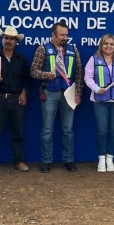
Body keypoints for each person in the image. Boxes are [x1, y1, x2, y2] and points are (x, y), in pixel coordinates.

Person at [30, 22, 83, 173]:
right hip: (50, 92)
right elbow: (33, 71)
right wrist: (47, 75)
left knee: (68, 129)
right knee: (47, 129)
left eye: (66, 35)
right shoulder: (42, 49)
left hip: (69, 93)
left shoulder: (73, 49)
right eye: (62, 35)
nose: (65, 38)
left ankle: (69, 160)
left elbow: (79, 72)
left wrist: (78, 92)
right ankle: (46, 161)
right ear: (53, 35)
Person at [0, 27, 32, 175]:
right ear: (2, 39)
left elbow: (27, 79)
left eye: (12, 39)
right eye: (6, 38)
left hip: (16, 100)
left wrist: (25, 92)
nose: (8, 41)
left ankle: (18, 160)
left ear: (16, 42)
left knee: (18, 132)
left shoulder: (22, 59)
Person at [84, 34, 114, 172]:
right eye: (106, 43)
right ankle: (101, 158)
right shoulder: (94, 59)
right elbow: (88, 77)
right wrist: (97, 89)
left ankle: (110, 157)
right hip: (100, 100)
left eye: (111, 44)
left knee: (113, 130)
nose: (108, 46)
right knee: (102, 131)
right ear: (101, 45)